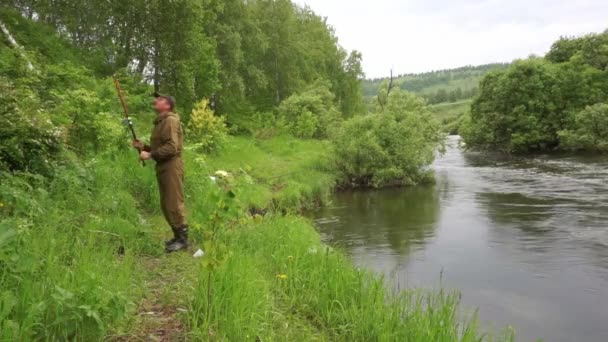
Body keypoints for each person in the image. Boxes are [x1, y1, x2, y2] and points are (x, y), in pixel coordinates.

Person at [133, 95, 188, 253]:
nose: (156, 101)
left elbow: (171, 147)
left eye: (160, 99)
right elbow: (161, 148)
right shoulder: (160, 122)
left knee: (174, 202)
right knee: (166, 204)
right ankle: (177, 236)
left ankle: (183, 240)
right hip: (163, 166)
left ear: (167, 105)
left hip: (172, 166)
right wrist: (144, 146)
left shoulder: (170, 120)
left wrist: (149, 155)